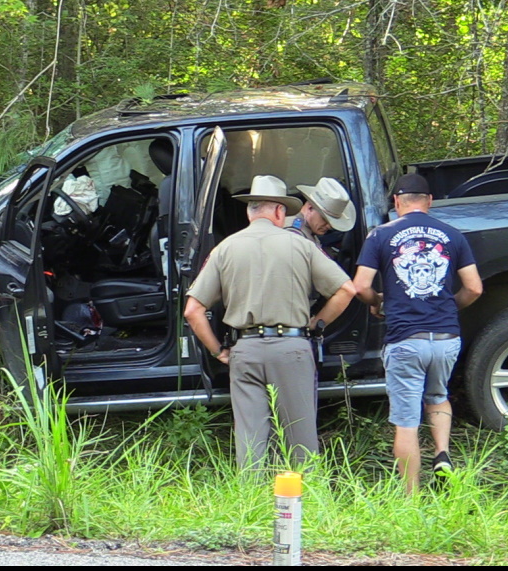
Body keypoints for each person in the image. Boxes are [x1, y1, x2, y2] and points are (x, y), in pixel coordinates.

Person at [184, 175, 356, 469]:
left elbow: (192, 311)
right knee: (300, 442)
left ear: (249, 210)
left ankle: (252, 507)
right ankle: (305, 507)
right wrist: (316, 323)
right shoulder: (301, 245)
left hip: (245, 351)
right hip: (292, 348)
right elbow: (347, 289)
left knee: (250, 445)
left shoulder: (225, 248)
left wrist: (218, 352)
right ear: (279, 211)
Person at [352, 173, 483, 493]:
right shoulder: (453, 235)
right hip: (445, 339)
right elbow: (475, 288)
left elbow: (360, 286)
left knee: (406, 421)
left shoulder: (380, 235)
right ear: (429, 202)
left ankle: (411, 498)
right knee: (438, 397)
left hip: (405, 340)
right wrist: (450, 307)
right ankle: (442, 454)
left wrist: (378, 302)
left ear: (396, 202)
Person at [286, 177, 357, 257]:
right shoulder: (294, 234)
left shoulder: (307, 229)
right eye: (325, 219)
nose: (329, 226)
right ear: (310, 208)